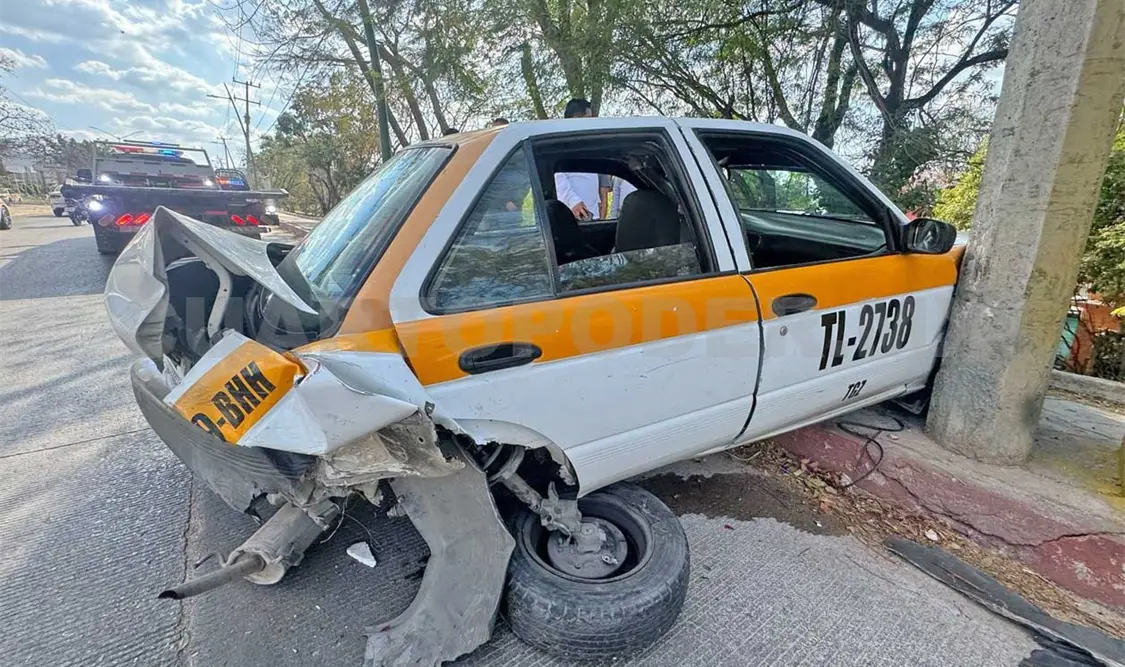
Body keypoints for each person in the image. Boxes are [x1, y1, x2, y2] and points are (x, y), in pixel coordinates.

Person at [553, 99, 599, 220]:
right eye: (588, 118)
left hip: (590, 214)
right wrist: (573, 201)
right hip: (575, 213)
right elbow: (558, 178)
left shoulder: (586, 145)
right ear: (576, 118)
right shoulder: (561, 145)